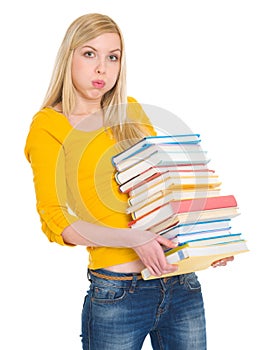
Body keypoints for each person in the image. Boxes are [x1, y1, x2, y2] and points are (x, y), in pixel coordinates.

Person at [24, 13, 233, 349]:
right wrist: (132, 238)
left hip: (181, 284)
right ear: (69, 56)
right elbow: (56, 221)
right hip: (118, 294)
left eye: (113, 57)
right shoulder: (49, 126)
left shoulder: (131, 111)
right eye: (89, 54)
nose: (102, 69)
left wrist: (206, 243)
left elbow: (162, 192)